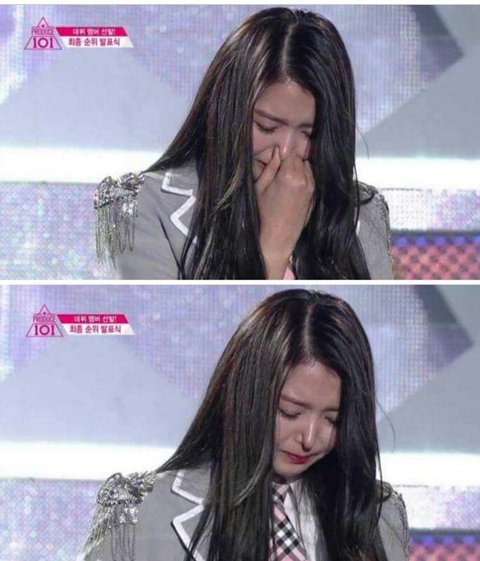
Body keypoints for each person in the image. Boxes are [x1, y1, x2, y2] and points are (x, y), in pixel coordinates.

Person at [82, 289, 408, 561]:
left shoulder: (377, 515)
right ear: (244, 395)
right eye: (290, 412)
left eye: (333, 420)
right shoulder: (140, 512)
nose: (310, 439)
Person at [95, 8, 393, 280]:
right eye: (266, 126)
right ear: (227, 111)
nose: (285, 151)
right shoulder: (139, 207)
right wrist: (274, 245)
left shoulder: (364, 214)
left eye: (310, 133)